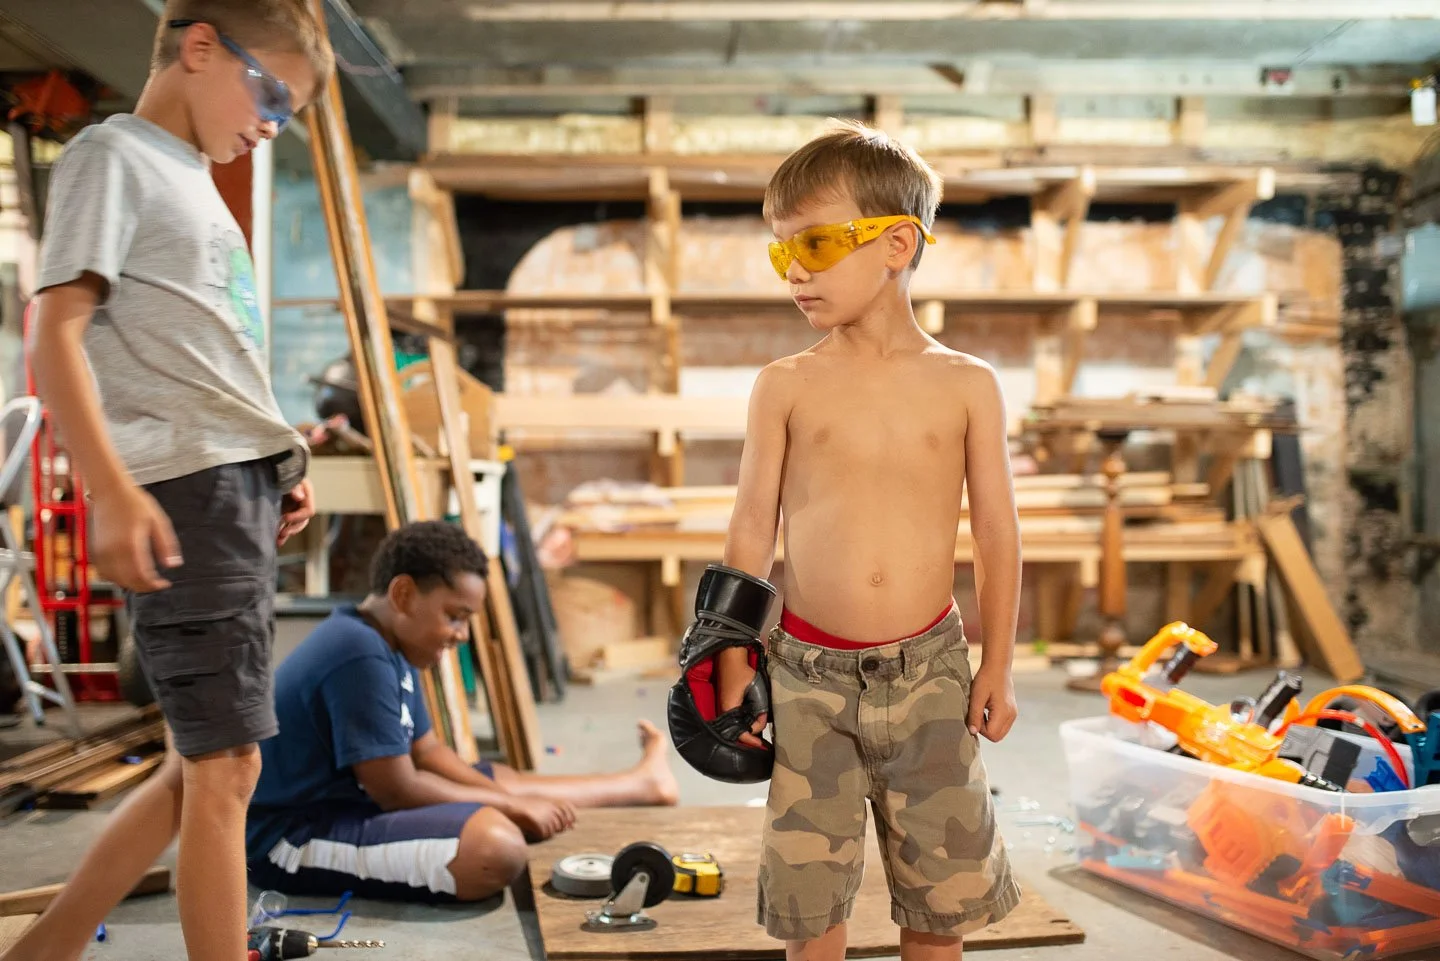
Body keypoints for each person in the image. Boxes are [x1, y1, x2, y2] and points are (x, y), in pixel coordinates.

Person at [8, 5, 333, 961]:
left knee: (202, 769)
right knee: (229, 767)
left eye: (291, 112)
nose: (273, 122)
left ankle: (47, 946)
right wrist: (112, 489)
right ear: (199, 47)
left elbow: (203, 351)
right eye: (271, 93)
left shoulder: (190, 177)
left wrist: (277, 461)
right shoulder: (115, 156)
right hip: (185, 489)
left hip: (230, 485)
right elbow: (54, 332)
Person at [678, 120, 1023, 961]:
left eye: (818, 243)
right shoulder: (785, 385)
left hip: (934, 673)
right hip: (806, 678)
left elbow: (998, 533)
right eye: (780, 251)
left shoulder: (967, 385)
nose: (796, 269)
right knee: (811, 912)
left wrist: (999, 664)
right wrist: (731, 658)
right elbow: (751, 527)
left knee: (939, 910)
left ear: (897, 243)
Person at [246, 521, 680, 903]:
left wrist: (510, 798)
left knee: (500, 779)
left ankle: (642, 783)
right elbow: (396, 790)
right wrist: (511, 810)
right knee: (496, 847)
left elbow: (430, 751)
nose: (464, 635)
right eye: (456, 617)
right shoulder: (358, 654)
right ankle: (627, 786)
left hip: (344, 808)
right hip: (290, 841)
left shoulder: (385, 641)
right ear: (403, 594)